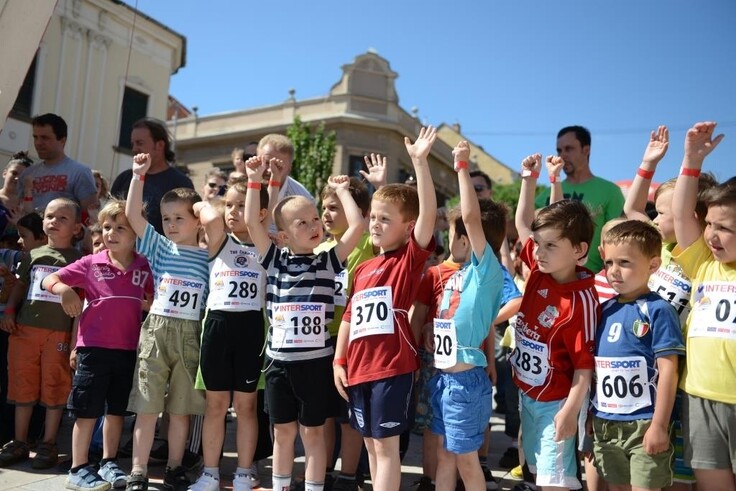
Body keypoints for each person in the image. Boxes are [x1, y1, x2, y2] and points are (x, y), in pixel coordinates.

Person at [244, 154, 364, 491]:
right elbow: (254, 223)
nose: (314, 226)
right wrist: (255, 180)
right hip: (279, 363)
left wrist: (342, 192)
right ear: (282, 235)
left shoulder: (328, 260)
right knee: (282, 432)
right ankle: (280, 486)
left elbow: (356, 227)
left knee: (313, 432)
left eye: (316, 220)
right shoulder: (275, 260)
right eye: (303, 223)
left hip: (315, 363)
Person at [333, 126, 438, 491]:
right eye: (372, 218)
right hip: (358, 369)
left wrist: (420, 163)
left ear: (407, 229)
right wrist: (339, 360)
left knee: (386, 447)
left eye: (385, 220)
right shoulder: (362, 267)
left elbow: (424, 215)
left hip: (392, 368)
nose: (375, 225)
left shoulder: (407, 259)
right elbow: (349, 317)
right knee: (370, 446)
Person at [42, 200, 153, 491]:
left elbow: (155, 299)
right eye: (106, 227)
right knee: (86, 410)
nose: (110, 234)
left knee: (116, 411)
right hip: (93, 349)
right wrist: (65, 289)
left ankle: (108, 461)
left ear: (136, 233)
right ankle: (78, 468)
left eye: (120, 228)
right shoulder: (91, 262)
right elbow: (48, 279)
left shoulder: (145, 264)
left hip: (128, 350)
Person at [513, 153, 600, 490]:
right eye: (538, 245)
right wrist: (528, 180)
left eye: (550, 246)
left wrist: (569, 412)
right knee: (536, 474)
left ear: (579, 251)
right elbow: (524, 224)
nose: (538, 252)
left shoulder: (581, 301)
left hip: (556, 404)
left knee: (555, 482)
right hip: (526, 396)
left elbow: (584, 366)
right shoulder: (538, 270)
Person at [124, 153, 209, 491]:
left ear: (197, 221)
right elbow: (133, 214)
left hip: (191, 334)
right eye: (166, 218)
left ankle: (175, 466)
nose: (171, 224)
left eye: (179, 218)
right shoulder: (159, 248)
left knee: (180, 410)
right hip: (158, 330)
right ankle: (138, 470)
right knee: (147, 406)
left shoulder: (210, 256)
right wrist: (137, 176)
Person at [429, 141, 506, 491]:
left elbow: (472, 217)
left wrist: (461, 167)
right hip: (445, 379)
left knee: (466, 459)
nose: (450, 237)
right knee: (446, 454)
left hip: (464, 382)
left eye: (455, 233)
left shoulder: (485, 268)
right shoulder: (458, 273)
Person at [187, 180, 270, 491]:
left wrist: (259, 181)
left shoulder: (265, 244)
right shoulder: (219, 237)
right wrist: (206, 206)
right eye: (230, 205)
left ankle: (244, 472)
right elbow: (206, 214)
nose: (234, 212)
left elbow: (267, 209)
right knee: (215, 405)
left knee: (247, 407)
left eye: (241, 205)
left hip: (251, 328)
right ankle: (210, 473)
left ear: (260, 213)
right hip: (218, 326)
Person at [591, 220, 684, 490]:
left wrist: (659, 424)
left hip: (644, 423)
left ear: (653, 265)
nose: (614, 271)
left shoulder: (658, 310)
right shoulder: (603, 309)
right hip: (605, 422)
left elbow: (669, 370)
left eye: (625, 263)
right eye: (608, 263)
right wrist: (591, 413)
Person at [670, 122, 736, 490]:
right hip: (699, 398)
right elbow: (681, 215)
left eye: (723, 227)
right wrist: (691, 160)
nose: (710, 234)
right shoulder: (703, 263)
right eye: (708, 223)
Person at [0, 198, 84, 470]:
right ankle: (19, 441)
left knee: (55, 385)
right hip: (25, 331)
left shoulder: (80, 259)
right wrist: (9, 312)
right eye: (49, 216)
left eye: (62, 218)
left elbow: (82, 303)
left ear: (76, 228)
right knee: (22, 384)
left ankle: (48, 443)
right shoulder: (32, 255)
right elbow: (19, 286)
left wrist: (75, 340)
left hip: (58, 334)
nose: (54, 222)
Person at [315, 162, 382, 491]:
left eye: (335, 207)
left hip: (356, 341)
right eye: (324, 207)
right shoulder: (321, 248)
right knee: (326, 414)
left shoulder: (366, 242)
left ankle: (348, 475)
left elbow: (377, 218)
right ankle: (324, 471)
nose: (326, 214)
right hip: (321, 339)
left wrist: (378, 185)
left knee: (348, 417)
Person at [535, 125, 625, 272]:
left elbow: (617, 239)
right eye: (559, 150)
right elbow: (523, 229)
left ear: (586, 150)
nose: (562, 155)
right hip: (551, 278)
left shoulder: (610, 191)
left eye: (569, 149)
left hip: (593, 280)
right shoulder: (545, 194)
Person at [111, 118, 194, 235]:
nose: (134, 149)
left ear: (159, 145)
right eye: (132, 144)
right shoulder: (123, 179)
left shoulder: (181, 183)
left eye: (140, 143)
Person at [18, 114, 98, 214]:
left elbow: (91, 216)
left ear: (62, 140)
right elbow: (17, 209)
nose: (38, 143)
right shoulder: (27, 173)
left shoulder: (80, 173)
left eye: (45, 138)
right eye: (35, 137)